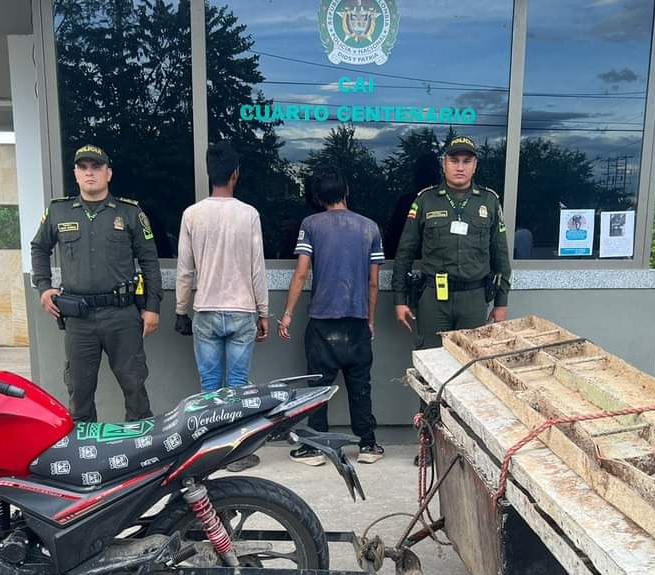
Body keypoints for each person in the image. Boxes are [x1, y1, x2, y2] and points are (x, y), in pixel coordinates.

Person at [30, 144, 162, 422]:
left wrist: (152, 307)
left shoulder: (130, 213)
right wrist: (43, 287)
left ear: (108, 173)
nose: (90, 173)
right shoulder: (58, 211)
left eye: (96, 167)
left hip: (122, 316)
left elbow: (149, 260)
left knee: (134, 386)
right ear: (75, 174)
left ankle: (141, 454)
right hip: (79, 319)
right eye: (83, 168)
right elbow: (39, 248)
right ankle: (84, 454)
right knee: (79, 393)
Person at [278, 166, 384, 466]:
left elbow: (301, 273)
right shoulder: (370, 228)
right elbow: (373, 281)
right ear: (346, 191)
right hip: (358, 320)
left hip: (323, 322)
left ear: (316, 196)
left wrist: (287, 314)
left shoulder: (310, 225)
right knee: (360, 385)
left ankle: (314, 447)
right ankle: (368, 445)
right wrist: (370, 319)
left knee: (318, 388)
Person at [174, 141, 269, 471]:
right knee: (238, 388)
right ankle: (237, 456)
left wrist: (181, 309)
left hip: (206, 310)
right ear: (235, 174)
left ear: (208, 173)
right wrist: (264, 312)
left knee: (209, 388)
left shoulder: (192, 214)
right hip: (243, 310)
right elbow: (258, 268)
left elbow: (185, 268)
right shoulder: (249, 215)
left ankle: (208, 454)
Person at [392, 135, 512, 350]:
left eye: (466, 162)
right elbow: (405, 253)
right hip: (433, 299)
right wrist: (399, 299)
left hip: (473, 299)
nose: (460, 167)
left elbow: (500, 255)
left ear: (475, 166)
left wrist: (501, 302)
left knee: (472, 362)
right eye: (454, 161)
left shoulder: (489, 201)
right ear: (444, 163)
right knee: (431, 360)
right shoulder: (424, 200)